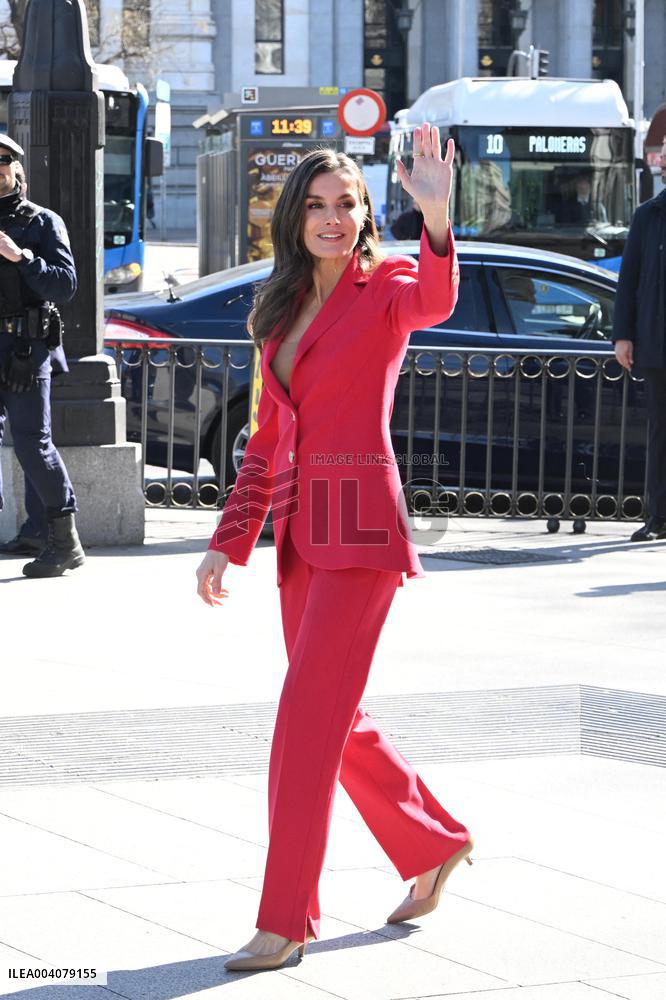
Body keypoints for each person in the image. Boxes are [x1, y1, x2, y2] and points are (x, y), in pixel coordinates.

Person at [196, 123, 473, 973]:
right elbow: (265, 438)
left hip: (361, 531)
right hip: (298, 536)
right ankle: (434, 842)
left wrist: (436, 218)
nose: (331, 218)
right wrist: (228, 540)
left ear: (364, 214)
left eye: (346, 204)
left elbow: (436, 301)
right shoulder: (278, 310)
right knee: (336, 718)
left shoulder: (387, 284)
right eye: (316, 205)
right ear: (295, 217)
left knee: (304, 726)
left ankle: (286, 920)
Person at [0, 133, 83, 576]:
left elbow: (65, 286)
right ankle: (35, 530)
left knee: (32, 442)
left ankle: (65, 543)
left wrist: (21, 257)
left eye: (3, 163)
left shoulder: (42, 222)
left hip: (24, 348)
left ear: (17, 171)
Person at [613, 136, 666, 541]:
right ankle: (658, 517)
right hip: (657, 344)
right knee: (660, 433)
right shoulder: (648, 216)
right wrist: (623, 336)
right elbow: (628, 281)